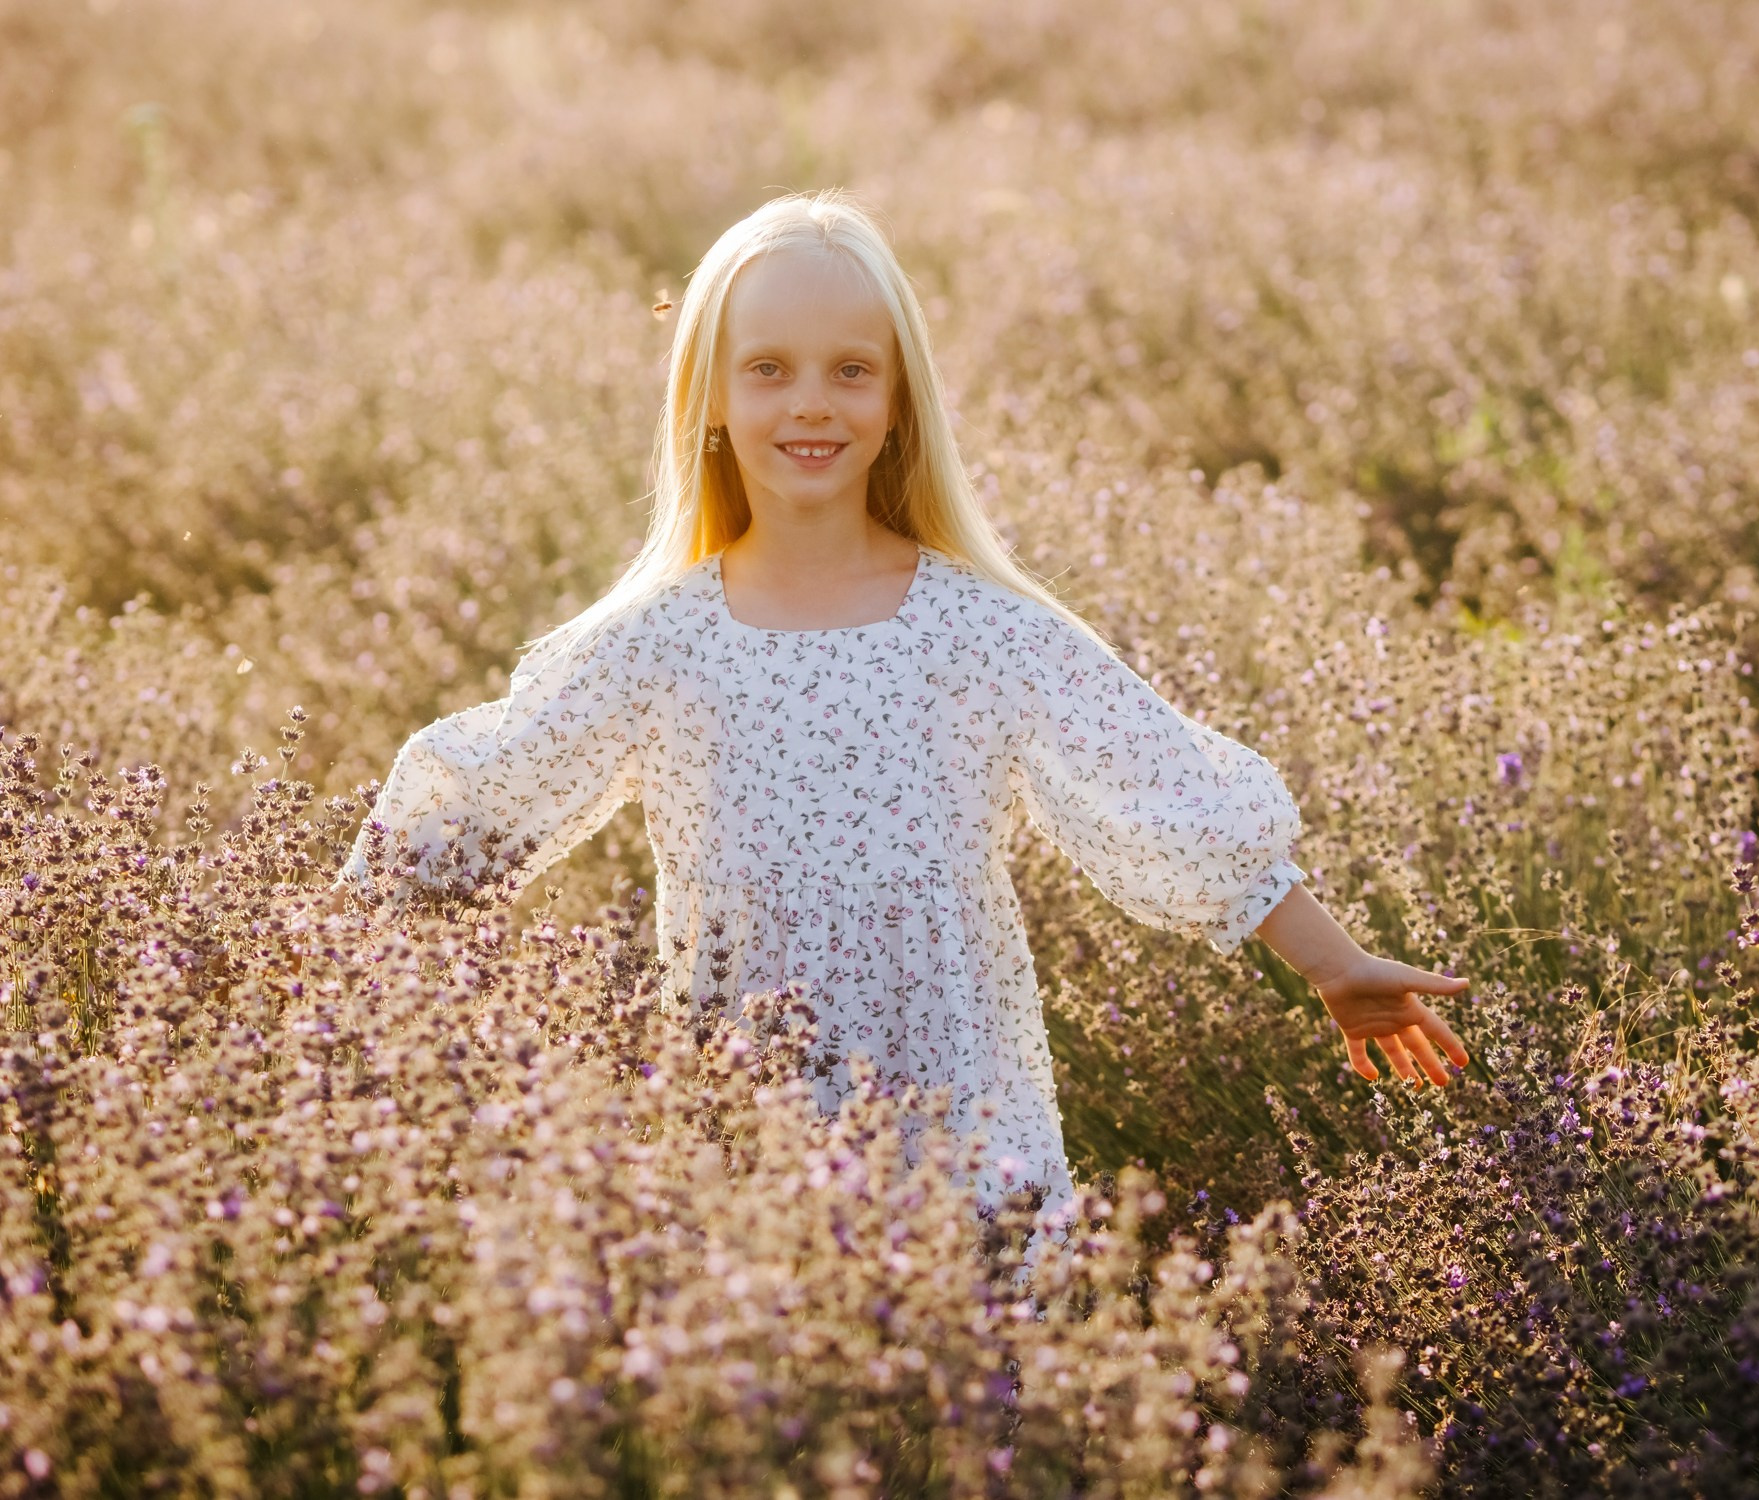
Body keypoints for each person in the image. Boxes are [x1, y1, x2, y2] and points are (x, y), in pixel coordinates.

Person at [338, 188, 1471, 1247]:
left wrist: (1333, 965)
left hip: (968, 1129)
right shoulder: (659, 640)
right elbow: (482, 794)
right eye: (768, 369)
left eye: (850, 370)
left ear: (897, 399)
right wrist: (312, 981)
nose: (811, 403)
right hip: (748, 1143)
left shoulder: (978, 627)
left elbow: (1158, 784)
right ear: (711, 396)